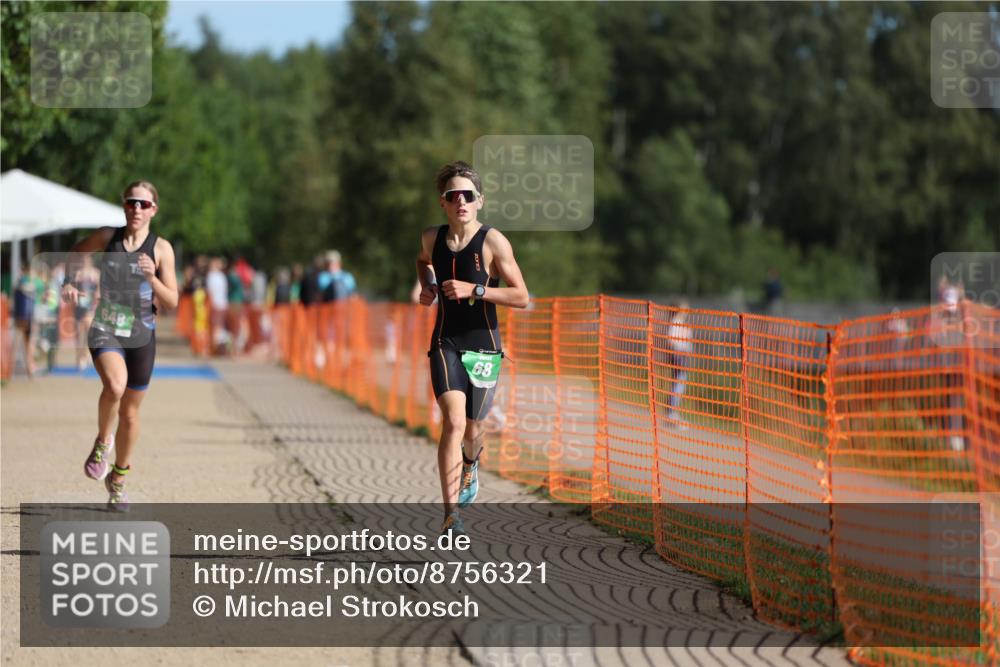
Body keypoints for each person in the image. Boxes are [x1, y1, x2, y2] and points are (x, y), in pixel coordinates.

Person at [415, 161, 529, 534]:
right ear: (443, 203)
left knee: (475, 426)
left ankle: (471, 463)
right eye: (453, 196)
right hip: (446, 339)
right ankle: (451, 516)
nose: (461, 201)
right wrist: (428, 286)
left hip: (484, 344)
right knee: (453, 421)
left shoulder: (494, 242)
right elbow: (421, 262)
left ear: (480, 201)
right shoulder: (432, 239)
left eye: (468, 195)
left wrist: (475, 289)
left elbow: (521, 295)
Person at [62, 181, 178, 511]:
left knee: (130, 413)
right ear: (124, 205)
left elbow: (172, 301)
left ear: (154, 209)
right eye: (132, 203)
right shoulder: (106, 237)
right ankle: (102, 441)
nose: (137, 209)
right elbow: (75, 253)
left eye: (144, 204)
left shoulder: (162, 249)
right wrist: (69, 282)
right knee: (115, 385)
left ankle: (119, 479)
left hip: (142, 334)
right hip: (106, 326)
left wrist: (152, 278)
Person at [666, 301, 694, 429]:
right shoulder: (676, 322)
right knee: (678, 384)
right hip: (679, 355)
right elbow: (671, 340)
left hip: (682, 355)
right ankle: (671, 414)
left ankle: (672, 413)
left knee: (679, 383)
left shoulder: (681, 323)